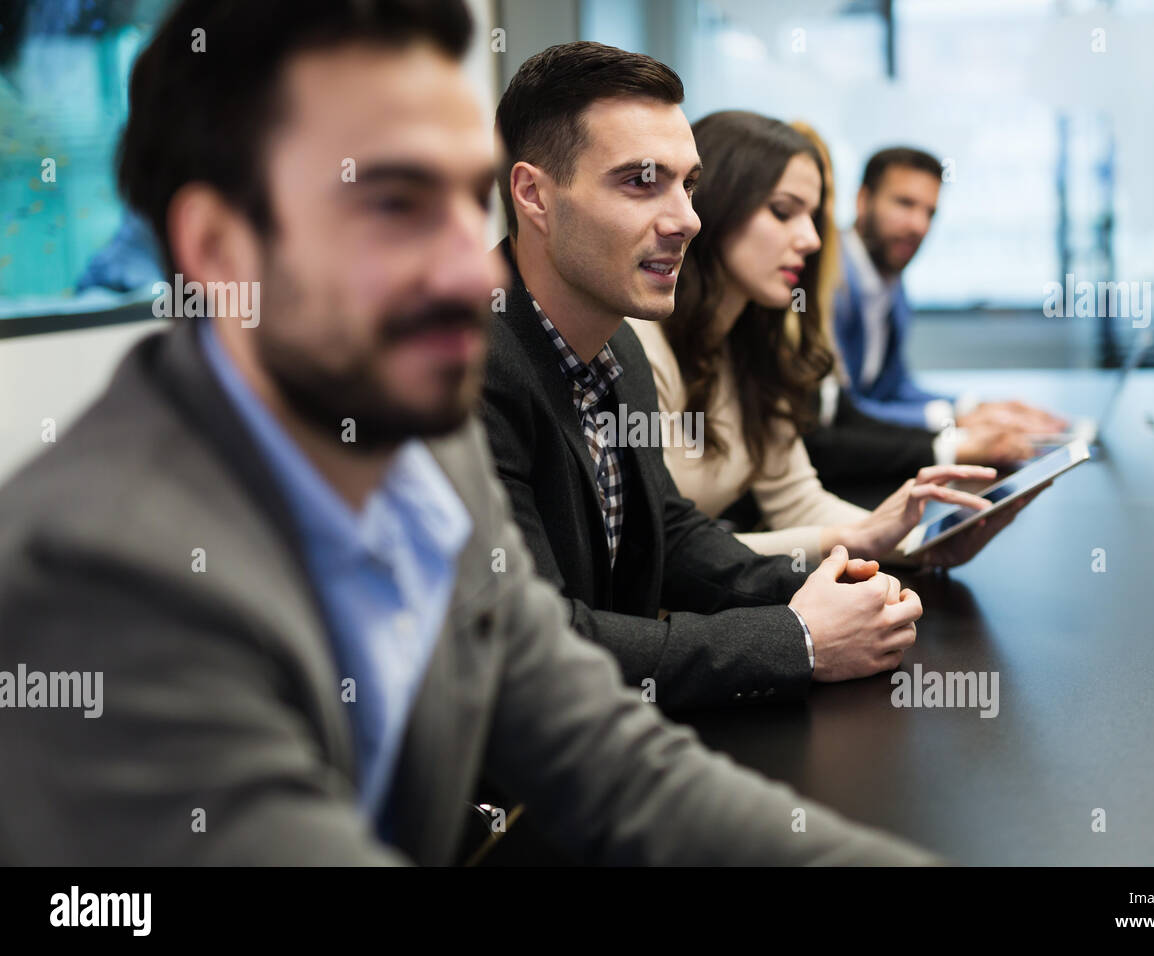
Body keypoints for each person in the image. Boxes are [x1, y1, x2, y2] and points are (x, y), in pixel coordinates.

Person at [0, 0, 936, 866]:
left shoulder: (419, 443)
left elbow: (611, 763)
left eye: (464, 200)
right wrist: (792, 635)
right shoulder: (99, 571)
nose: (463, 267)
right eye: (399, 204)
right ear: (219, 250)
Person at [481, 42, 923, 715]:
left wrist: (835, 583)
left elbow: (669, 531)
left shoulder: (618, 348)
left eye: (688, 185)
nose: (687, 218)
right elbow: (536, 646)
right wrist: (799, 638)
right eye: (640, 182)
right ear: (534, 195)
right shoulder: (466, 367)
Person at [630, 110, 1036, 566]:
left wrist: (918, 545)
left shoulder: (752, 350)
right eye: (783, 212)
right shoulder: (638, 346)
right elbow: (664, 553)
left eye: (814, 217)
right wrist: (865, 540)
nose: (811, 240)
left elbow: (797, 501)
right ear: (714, 207)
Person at [827, 146, 1068, 447]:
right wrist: (951, 422)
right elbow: (839, 412)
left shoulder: (890, 282)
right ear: (863, 200)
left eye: (930, 212)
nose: (919, 226)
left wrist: (975, 408)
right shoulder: (826, 280)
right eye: (904, 204)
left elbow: (893, 387)